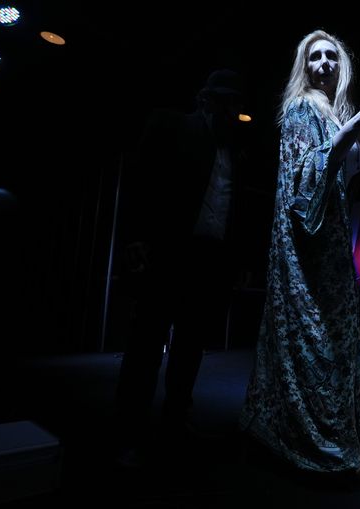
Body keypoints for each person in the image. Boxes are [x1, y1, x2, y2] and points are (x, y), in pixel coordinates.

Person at [238, 30, 360, 486]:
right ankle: (327, 454)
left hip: (330, 245)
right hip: (307, 249)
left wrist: (350, 129)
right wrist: (353, 127)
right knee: (318, 346)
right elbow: (302, 184)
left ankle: (325, 442)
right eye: (315, 57)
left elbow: (341, 183)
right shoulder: (302, 109)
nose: (323, 63)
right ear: (303, 67)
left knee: (338, 342)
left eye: (331, 56)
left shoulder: (330, 112)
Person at [114, 68, 253, 461]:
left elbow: (238, 211)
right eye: (226, 103)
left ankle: (175, 422)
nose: (233, 111)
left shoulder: (236, 150)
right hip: (168, 252)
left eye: (237, 104)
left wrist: (239, 260)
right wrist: (134, 237)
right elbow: (140, 181)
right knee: (146, 343)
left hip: (210, 260)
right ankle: (128, 429)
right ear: (207, 101)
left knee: (190, 346)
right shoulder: (170, 124)